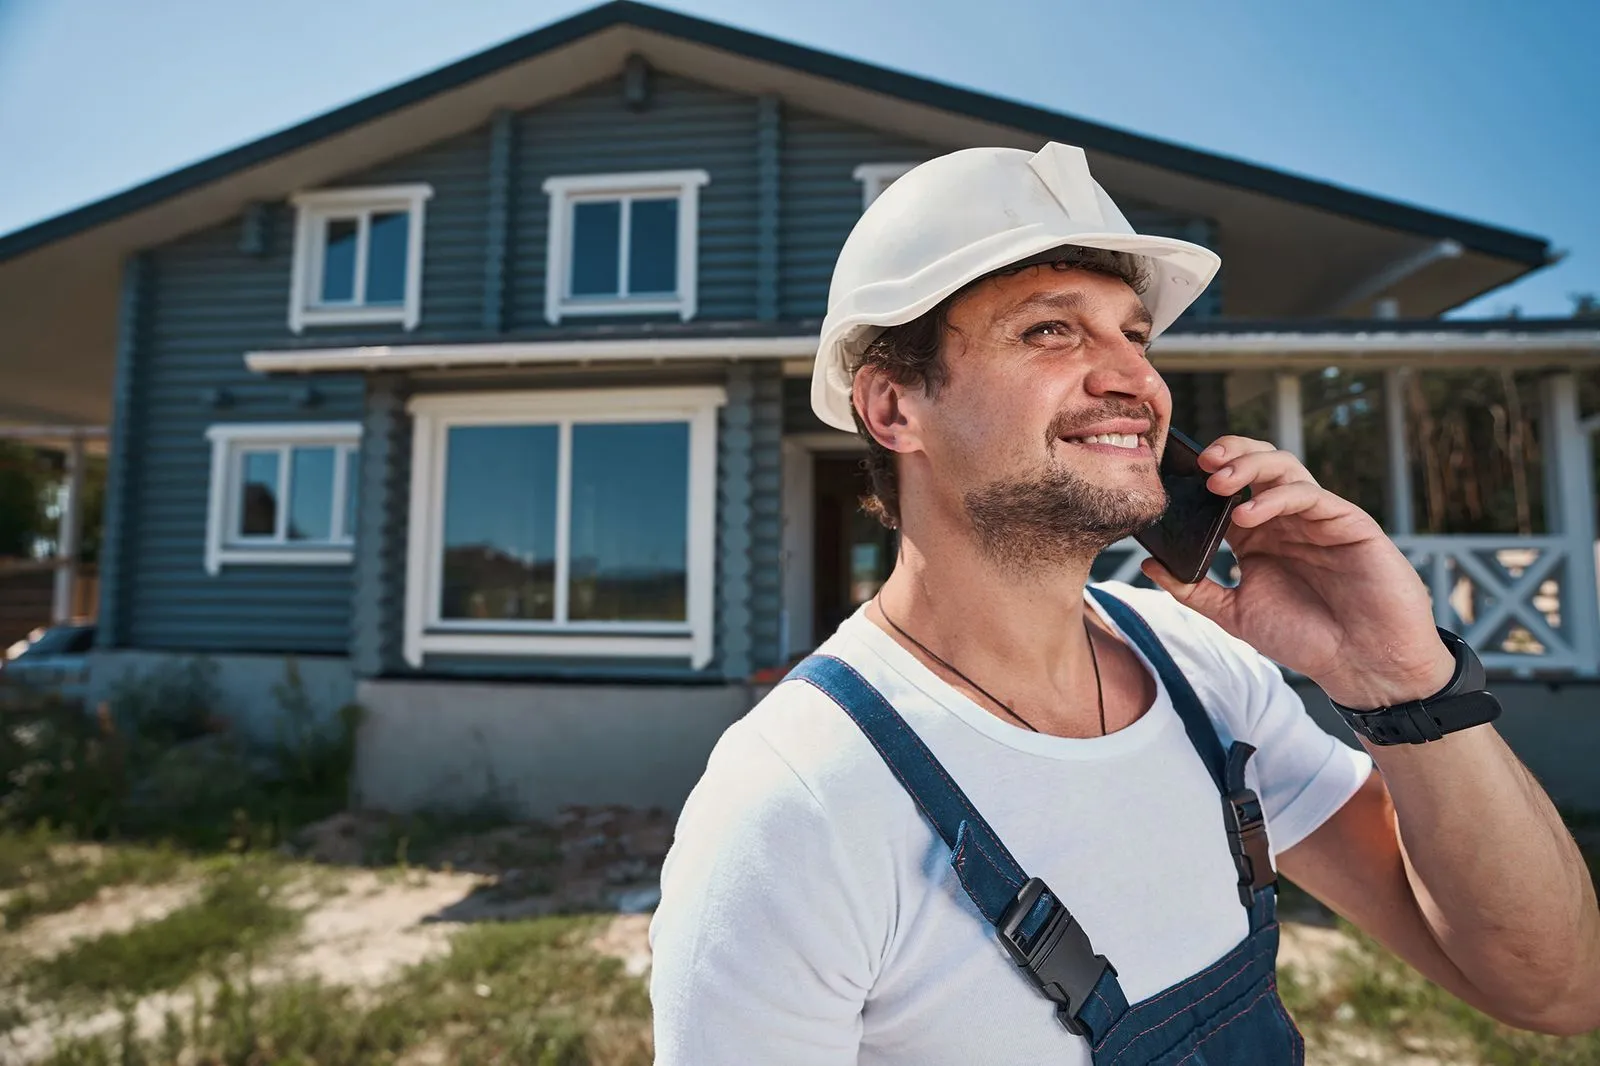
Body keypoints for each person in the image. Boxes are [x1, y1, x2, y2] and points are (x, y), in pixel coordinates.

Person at [648, 142, 1600, 1064]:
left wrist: (1400, 682)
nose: (1137, 379)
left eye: (1134, 336)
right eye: (1051, 330)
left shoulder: (1203, 670)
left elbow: (1552, 990)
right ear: (894, 407)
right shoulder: (796, 804)